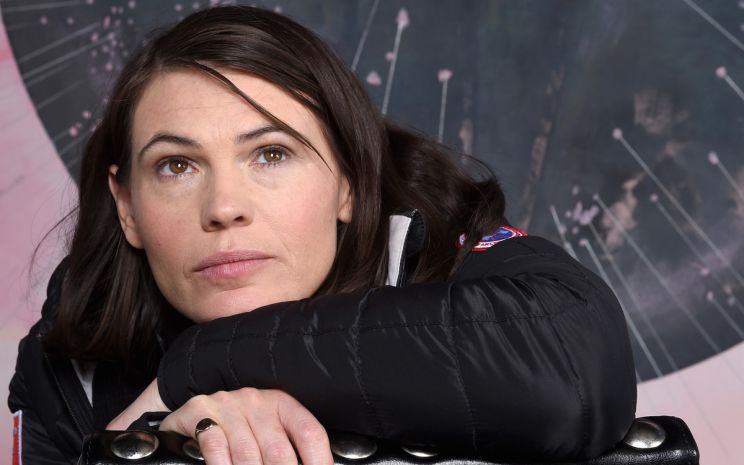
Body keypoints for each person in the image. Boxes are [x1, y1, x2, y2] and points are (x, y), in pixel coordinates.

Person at [8, 5, 636, 465]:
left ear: (349, 182)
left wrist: (199, 367)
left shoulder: (441, 245)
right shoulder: (69, 366)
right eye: (177, 166)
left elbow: (576, 366)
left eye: (271, 154)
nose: (224, 208)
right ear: (127, 207)